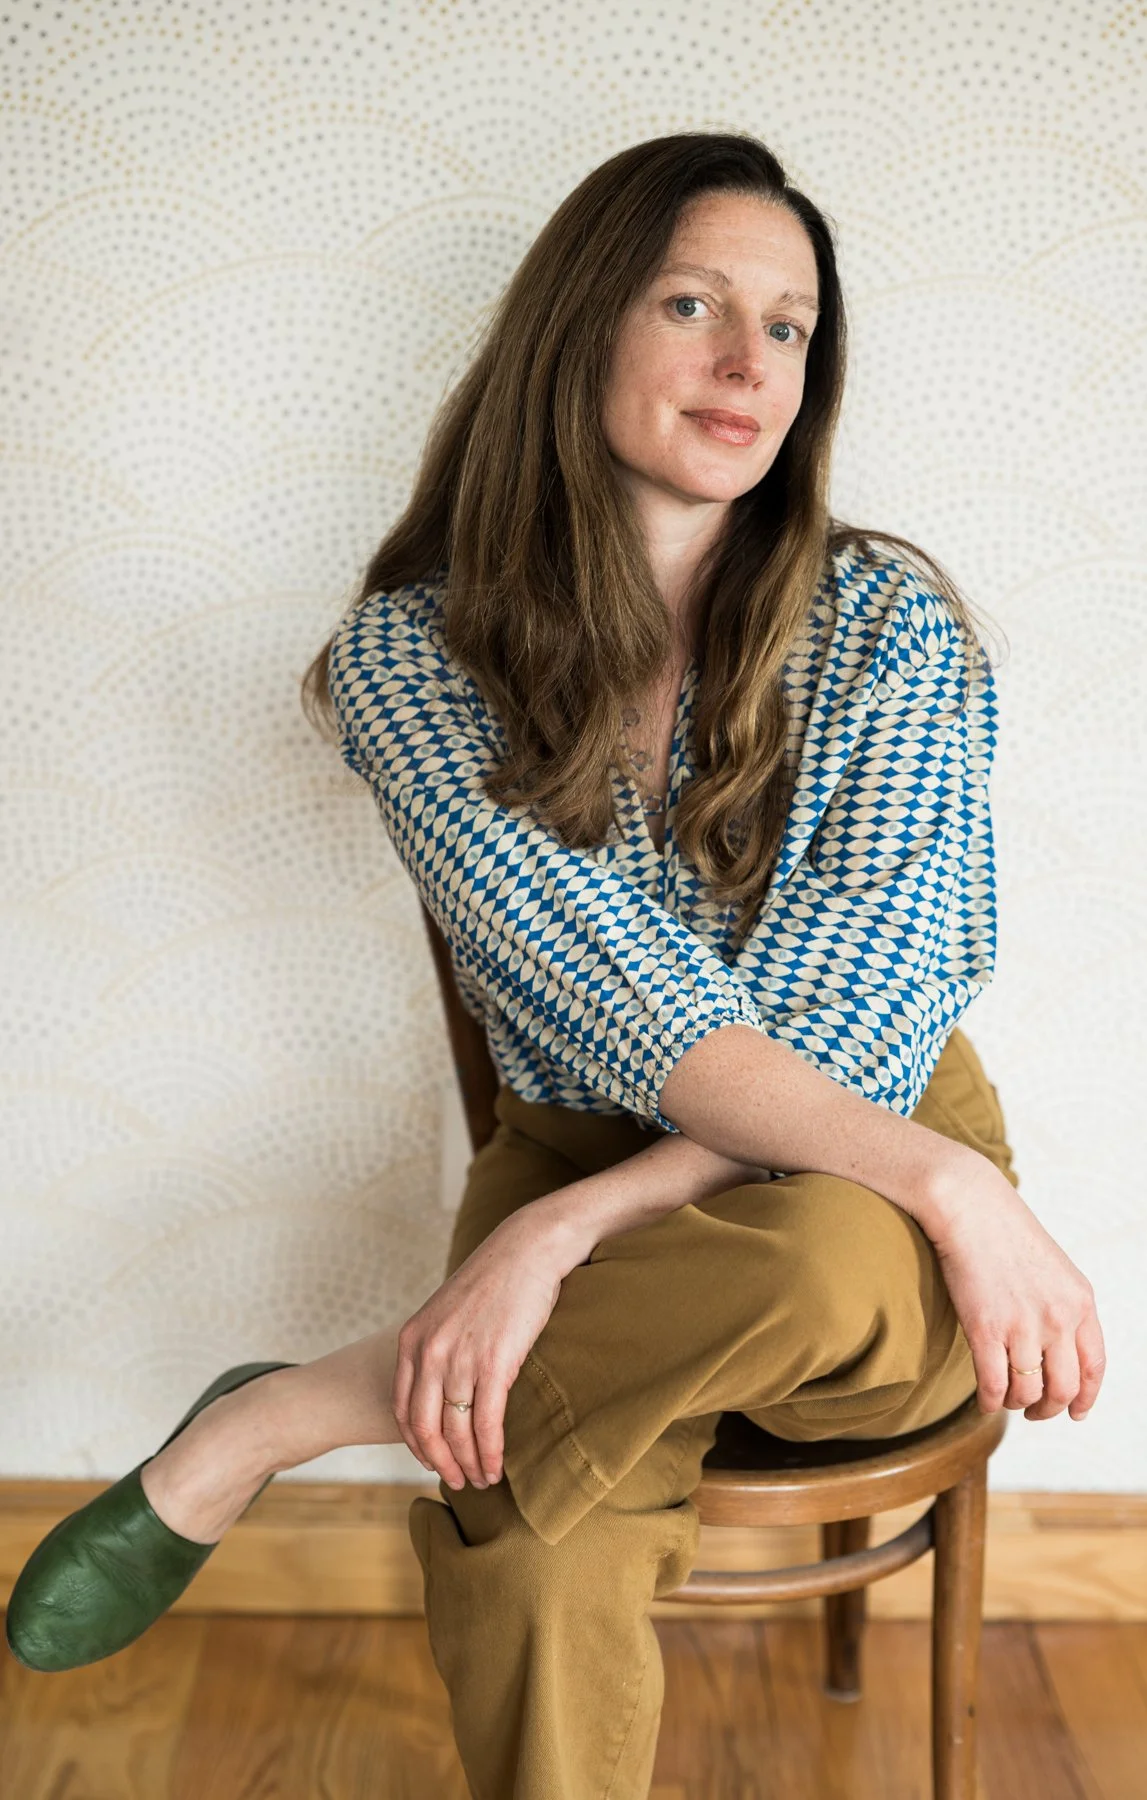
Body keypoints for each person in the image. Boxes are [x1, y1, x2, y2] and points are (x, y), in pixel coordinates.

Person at [6, 132, 1105, 1800]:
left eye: (791, 328)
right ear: (580, 327)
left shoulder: (888, 624)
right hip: (616, 1143)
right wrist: (579, 1195)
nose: (750, 364)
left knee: (805, 1264)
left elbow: (863, 999)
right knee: (530, 1553)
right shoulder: (408, 657)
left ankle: (280, 1417)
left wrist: (589, 1222)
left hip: (867, 1169)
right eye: (694, 303)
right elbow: (611, 985)